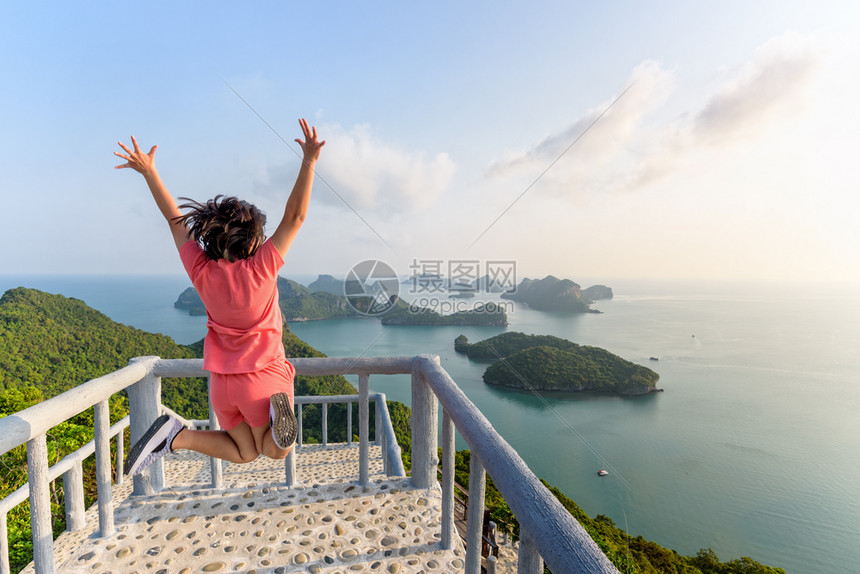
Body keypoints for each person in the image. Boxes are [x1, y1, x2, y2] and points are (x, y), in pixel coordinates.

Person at [114, 119, 325, 476]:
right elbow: (296, 216)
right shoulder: (262, 267)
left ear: (212, 238)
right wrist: (309, 161)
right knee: (274, 451)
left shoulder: (202, 272)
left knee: (244, 453)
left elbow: (174, 220)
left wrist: (150, 172)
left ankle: (176, 437)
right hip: (262, 377)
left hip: (222, 385)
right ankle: (280, 421)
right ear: (255, 240)